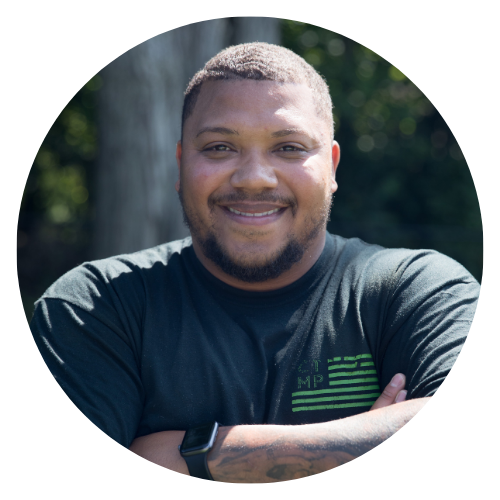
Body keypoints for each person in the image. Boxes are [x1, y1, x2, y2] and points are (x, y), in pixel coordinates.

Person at [29, 42, 480, 482]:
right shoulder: (94, 308)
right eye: (220, 147)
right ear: (181, 163)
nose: (254, 179)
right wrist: (368, 449)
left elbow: (476, 437)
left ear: (332, 167)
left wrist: (191, 457)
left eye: (289, 147)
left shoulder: (418, 290)